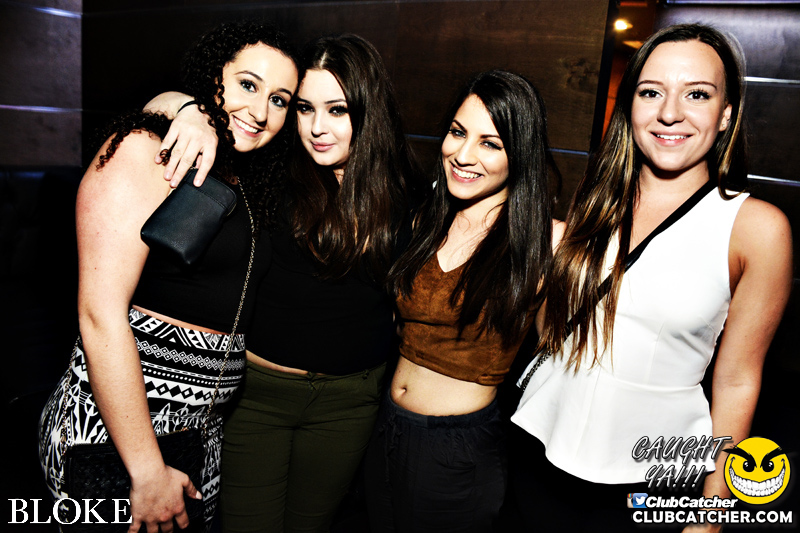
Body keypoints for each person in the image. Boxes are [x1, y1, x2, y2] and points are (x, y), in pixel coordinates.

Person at [511, 23, 793, 532]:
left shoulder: (756, 229)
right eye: (651, 92)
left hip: (654, 479)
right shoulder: (594, 200)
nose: (670, 113)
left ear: (726, 114)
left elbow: (737, 381)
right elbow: (555, 334)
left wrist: (711, 514)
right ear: (630, 106)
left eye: (697, 94)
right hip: (540, 452)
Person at [148, 34, 421, 532]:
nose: (316, 127)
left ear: (369, 111)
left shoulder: (407, 193)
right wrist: (187, 110)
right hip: (258, 397)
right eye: (303, 108)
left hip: (349, 403)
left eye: (337, 110)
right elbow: (157, 104)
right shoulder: (269, 168)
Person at [37, 21, 299, 532]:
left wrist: (188, 108)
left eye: (279, 100)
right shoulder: (144, 149)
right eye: (247, 84)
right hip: (116, 435)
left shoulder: (237, 170)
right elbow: (99, 315)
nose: (260, 111)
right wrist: (146, 469)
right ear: (212, 77)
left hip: (199, 433)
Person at [363, 70, 563, 533]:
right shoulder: (424, 222)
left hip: (458, 449)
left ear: (520, 153)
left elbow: (565, 354)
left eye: (490, 143)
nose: (464, 154)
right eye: (457, 133)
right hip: (386, 426)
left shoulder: (547, 243)